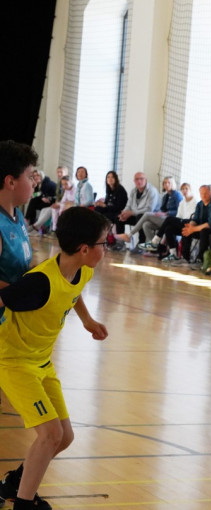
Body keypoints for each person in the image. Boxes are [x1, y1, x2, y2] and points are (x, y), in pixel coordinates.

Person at [0, 207, 110, 510]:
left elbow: (74, 293)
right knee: (50, 434)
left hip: (42, 363)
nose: (106, 247)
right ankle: (23, 503)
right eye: (104, 242)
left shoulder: (82, 269)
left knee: (64, 437)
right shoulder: (39, 283)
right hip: (14, 362)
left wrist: (87, 320)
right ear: (85, 249)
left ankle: (13, 484)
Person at [0, 141, 37, 287]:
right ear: (11, 182)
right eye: (30, 177)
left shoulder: (18, 216)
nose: (34, 183)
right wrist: (23, 291)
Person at [115, 176, 182, 246]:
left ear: (173, 184)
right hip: (163, 219)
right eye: (165, 183)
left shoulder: (177, 195)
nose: (166, 184)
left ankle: (129, 235)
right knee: (145, 224)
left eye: (169, 183)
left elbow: (179, 212)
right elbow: (162, 209)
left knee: (146, 214)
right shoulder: (165, 196)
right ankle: (154, 246)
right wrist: (159, 213)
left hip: (171, 220)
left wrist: (166, 213)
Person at [149, 183, 198, 260]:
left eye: (186, 189)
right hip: (182, 223)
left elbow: (193, 218)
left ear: (190, 190)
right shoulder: (182, 202)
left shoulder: (195, 202)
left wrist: (179, 221)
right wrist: (177, 223)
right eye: (182, 189)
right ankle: (173, 253)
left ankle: (156, 241)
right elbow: (178, 216)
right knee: (168, 228)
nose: (184, 190)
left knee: (169, 219)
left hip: (190, 224)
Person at [180, 185, 211, 266]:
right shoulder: (200, 204)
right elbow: (195, 219)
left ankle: (200, 259)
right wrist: (190, 226)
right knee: (186, 229)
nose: (203, 195)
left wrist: (193, 229)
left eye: (206, 193)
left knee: (203, 231)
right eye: (201, 194)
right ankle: (185, 258)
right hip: (201, 227)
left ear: (210, 193)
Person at [115, 172, 159, 245]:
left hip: (150, 217)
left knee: (140, 217)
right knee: (119, 218)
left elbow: (149, 210)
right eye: (136, 179)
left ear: (146, 180)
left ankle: (141, 244)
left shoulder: (152, 191)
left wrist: (132, 213)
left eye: (141, 179)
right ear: (134, 181)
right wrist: (124, 213)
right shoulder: (133, 191)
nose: (139, 181)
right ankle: (120, 243)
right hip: (136, 215)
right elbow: (128, 205)